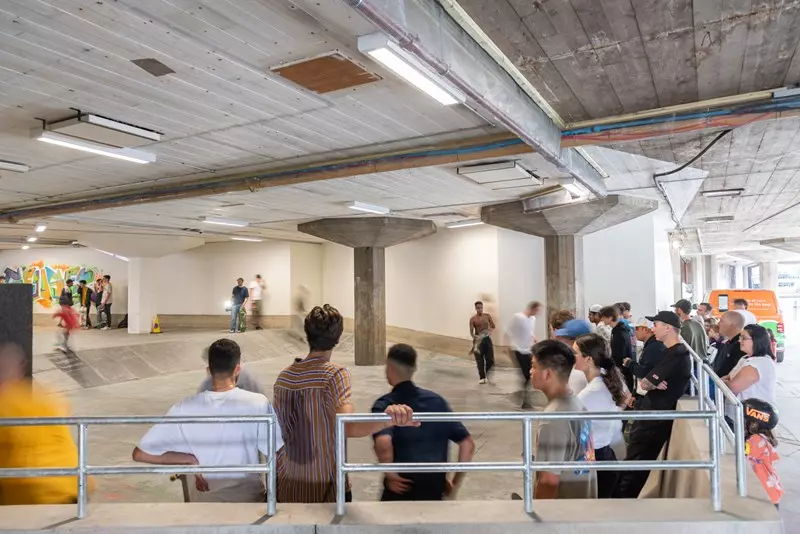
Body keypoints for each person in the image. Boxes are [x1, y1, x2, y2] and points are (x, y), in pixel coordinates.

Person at [273, 304, 417, 503]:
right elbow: (348, 426)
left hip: (285, 483)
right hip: (324, 487)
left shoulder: (284, 377)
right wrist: (387, 419)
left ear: (308, 335)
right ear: (338, 338)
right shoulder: (334, 375)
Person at [133, 339, 283, 502]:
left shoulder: (184, 407)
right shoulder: (258, 403)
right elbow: (276, 455)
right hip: (247, 499)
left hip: (206, 503)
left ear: (208, 370)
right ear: (237, 369)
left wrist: (189, 460)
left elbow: (140, 454)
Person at [372, 344, 475, 502]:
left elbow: (383, 442)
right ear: (414, 369)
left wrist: (391, 475)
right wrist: (454, 483)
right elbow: (467, 444)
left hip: (400, 492)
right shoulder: (437, 402)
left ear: (389, 369)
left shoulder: (385, 405)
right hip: (433, 491)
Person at [0, 343, 95, 504]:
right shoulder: (46, 394)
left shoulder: (4, 403)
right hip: (73, 483)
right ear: (21, 368)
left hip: (34, 492)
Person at [614, 311, 691, 499]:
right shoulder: (667, 351)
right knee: (633, 460)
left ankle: (621, 503)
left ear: (668, 328)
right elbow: (647, 381)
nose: (652, 328)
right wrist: (652, 380)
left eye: (655, 324)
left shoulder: (678, 352)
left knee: (635, 463)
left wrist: (652, 381)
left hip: (654, 420)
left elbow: (646, 383)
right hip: (650, 414)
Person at [529, 340, 597, 499]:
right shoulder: (576, 403)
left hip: (563, 512)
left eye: (534, 366)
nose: (531, 371)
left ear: (547, 374)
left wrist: (537, 518)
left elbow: (548, 481)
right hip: (582, 505)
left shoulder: (552, 420)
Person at [573, 334, 627, 498]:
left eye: (575, 353)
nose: (571, 356)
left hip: (595, 459)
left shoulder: (590, 393)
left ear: (588, 360)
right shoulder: (606, 380)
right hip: (605, 455)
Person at [722, 324, 777, 424]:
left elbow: (733, 386)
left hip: (753, 420)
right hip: (737, 415)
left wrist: (724, 382)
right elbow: (729, 377)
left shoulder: (760, 363)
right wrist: (727, 381)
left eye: (744, 338)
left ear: (756, 340)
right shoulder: (745, 358)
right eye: (740, 337)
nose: (739, 341)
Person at [742, 398, 783, 508]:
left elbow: (743, 459)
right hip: (771, 493)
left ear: (753, 423)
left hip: (764, 496)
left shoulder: (755, 441)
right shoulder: (763, 438)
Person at [505, 301, 541, 409]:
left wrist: (533, 337)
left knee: (528, 375)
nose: (538, 313)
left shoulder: (532, 319)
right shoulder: (518, 317)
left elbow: (529, 331)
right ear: (532, 308)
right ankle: (525, 400)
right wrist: (507, 347)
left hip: (528, 350)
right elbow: (508, 331)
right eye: (537, 310)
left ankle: (524, 398)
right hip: (518, 349)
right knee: (526, 375)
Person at [624, 318, 666, 402]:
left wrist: (629, 363)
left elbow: (644, 372)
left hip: (653, 397)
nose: (635, 331)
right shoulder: (651, 345)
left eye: (637, 328)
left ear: (646, 329)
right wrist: (635, 394)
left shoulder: (654, 347)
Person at [552, 318, 592, 396]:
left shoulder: (579, 371)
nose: (560, 340)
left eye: (564, 337)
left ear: (575, 341)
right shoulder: (590, 362)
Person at [599, 306, 634, 393]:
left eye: (603, 317)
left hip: (622, 370)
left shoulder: (620, 332)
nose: (602, 319)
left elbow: (619, 354)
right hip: (620, 369)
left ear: (610, 318)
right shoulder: (616, 330)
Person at [469, 301, 496, 384]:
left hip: (487, 339)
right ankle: (482, 377)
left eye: (481, 307)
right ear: (476, 308)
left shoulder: (487, 316)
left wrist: (490, 331)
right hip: (478, 341)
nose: (480, 309)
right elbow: (471, 332)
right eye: (478, 308)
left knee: (490, 359)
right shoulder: (473, 319)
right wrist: (475, 337)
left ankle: (487, 373)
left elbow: (493, 326)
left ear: (482, 307)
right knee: (479, 360)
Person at [713, 311, 746, 378]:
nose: (718, 324)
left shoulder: (741, 346)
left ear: (732, 324)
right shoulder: (729, 342)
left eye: (721, 321)